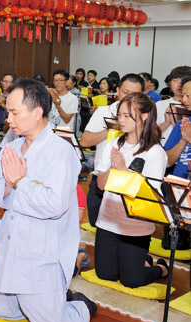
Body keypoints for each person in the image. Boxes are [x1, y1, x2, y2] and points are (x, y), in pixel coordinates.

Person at [0, 78, 94, 322]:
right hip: (11, 240)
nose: (8, 118)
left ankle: (79, 307)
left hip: (42, 252)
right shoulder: (11, 147)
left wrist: (20, 181)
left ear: (36, 113)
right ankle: (48, 301)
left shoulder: (60, 152)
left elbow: (54, 206)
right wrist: (9, 185)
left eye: (14, 112)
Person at [94, 92, 169, 288]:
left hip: (136, 227)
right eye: (119, 115)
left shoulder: (155, 153)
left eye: (127, 116)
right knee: (106, 275)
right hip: (108, 221)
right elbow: (101, 185)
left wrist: (122, 170)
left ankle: (160, 268)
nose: (121, 120)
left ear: (144, 116)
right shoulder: (113, 144)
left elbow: (146, 194)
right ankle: (139, 262)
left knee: (131, 280)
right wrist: (113, 167)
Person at [81, 74, 144, 227]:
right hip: (102, 176)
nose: (129, 98)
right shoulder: (103, 111)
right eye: (125, 92)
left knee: (126, 229)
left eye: (135, 95)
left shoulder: (144, 117)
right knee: (96, 225)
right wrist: (112, 129)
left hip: (129, 180)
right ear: (117, 90)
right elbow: (85, 141)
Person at [156, 66, 191, 145]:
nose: (179, 84)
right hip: (163, 148)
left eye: (183, 80)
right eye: (175, 80)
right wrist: (166, 123)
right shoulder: (159, 105)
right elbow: (150, 135)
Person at [164, 77, 191, 178]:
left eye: (188, 96)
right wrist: (183, 141)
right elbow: (167, 162)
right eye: (182, 95)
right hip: (177, 186)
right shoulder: (182, 124)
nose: (184, 100)